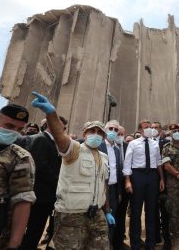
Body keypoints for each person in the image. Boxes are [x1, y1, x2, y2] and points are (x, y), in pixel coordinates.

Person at [30, 92, 114, 250]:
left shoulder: (104, 157)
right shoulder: (74, 149)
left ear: (103, 137)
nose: (95, 135)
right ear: (84, 134)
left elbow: (103, 185)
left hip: (96, 214)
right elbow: (59, 134)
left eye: (99, 133)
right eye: (92, 131)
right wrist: (51, 113)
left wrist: (107, 210)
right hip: (71, 215)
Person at [0, 104, 36, 249]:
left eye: (19, 129)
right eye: (10, 126)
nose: (14, 132)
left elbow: (23, 201)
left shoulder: (20, 157)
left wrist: (14, 245)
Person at [18, 116, 68, 250]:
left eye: (64, 128)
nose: (62, 130)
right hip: (39, 196)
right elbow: (40, 165)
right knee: (33, 230)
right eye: (60, 127)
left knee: (36, 229)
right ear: (50, 125)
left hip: (47, 196)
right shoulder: (40, 139)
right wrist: (59, 182)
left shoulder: (54, 143)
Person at [123, 119, 165, 250]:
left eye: (150, 127)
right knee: (136, 211)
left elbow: (158, 161)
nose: (149, 129)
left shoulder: (154, 144)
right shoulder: (133, 144)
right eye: (146, 127)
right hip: (137, 176)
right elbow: (127, 163)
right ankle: (135, 243)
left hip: (152, 176)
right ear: (140, 130)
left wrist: (161, 179)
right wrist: (128, 181)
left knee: (151, 211)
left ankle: (150, 243)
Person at [98, 120, 126, 249]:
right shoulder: (98, 146)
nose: (113, 132)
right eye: (111, 129)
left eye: (116, 130)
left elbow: (117, 172)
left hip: (113, 190)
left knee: (112, 221)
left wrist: (119, 192)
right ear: (105, 130)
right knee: (98, 222)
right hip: (99, 189)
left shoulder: (116, 149)